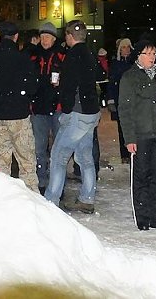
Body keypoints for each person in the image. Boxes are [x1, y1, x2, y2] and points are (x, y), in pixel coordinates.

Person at [118, 39, 156, 231]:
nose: (152, 57)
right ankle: (143, 217)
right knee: (141, 177)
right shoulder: (130, 77)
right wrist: (129, 139)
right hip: (141, 136)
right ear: (138, 56)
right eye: (148, 54)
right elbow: (125, 110)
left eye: (154, 54)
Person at [44, 21, 102, 213]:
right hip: (91, 111)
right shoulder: (90, 54)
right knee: (85, 156)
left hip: (78, 113)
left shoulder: (72, 56)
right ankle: (87, 198)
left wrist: (64, 104)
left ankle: (51, 200)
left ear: (69, 36)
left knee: (58, 155)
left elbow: (69, 86)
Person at [0, 21, 40, 193]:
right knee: (27, 162)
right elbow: (32, 87)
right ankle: (31, 199)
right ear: (16, 37)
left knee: (2, 161)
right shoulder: (23, 59)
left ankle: (4, 198)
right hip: (19, 117)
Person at [28, 21, 65, 193]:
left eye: (48, 37)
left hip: (57, 108)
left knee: (58, 149)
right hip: (38, 108)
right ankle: (42, 181)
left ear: (54, 38)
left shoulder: (62, 55)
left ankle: (58, 184)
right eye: (42, 36)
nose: (44, 40)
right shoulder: (33, 55)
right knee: (39, 148)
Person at [108, 38, 134, 164]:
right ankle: (125, 154)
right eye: (124, 47)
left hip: (133, 100)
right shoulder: (116, 64)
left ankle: (132, 151)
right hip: (120, 100)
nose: (126, 49)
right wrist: (111, 100)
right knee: (122, 127)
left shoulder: (133, 63)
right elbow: (112, 83)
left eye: (128, 47)